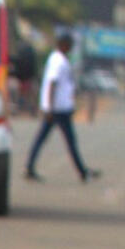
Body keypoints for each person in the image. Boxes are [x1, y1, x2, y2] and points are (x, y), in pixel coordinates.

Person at [25, 33, 96, 183]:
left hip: (58, 107)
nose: (71, 48)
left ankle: (30, 167)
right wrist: (50, 108)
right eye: (70, 45)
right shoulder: (58, 61)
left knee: (43, 138)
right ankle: (82, 172)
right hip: (59, 109)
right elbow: (52, 83)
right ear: (64, 44)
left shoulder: (57, 59)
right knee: (70, 141)